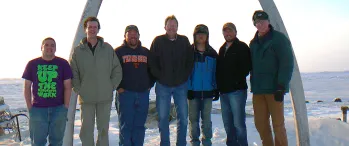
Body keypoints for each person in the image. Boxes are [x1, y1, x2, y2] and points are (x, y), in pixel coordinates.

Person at [70, 16, 122, 146]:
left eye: (95, 27)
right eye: (90, 27)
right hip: (86, 97)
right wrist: (79, 88)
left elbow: (117, 70)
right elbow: (73, 73)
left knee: (103, 130)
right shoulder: (78, 51)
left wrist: (111, 86)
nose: (92, 29)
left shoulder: (107, 49)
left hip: (104, 97)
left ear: (98, 29)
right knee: (86, 130)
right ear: (85, 29)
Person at [249, 10, 294, 146]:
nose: (260, 25)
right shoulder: (253, 43)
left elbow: (287, 63)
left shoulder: (279, 39)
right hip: (258, 90)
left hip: (275, 90)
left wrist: (281, 86)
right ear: (255, 25)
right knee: (260, 124)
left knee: (278, 125)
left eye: (263, 22)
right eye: (257, 22)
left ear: (268, 22)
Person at [148, 15, 194, 146]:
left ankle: (181, 143)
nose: (172, 27)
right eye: (169, 25)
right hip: (163, 85)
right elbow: (152, 61)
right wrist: (159, 76)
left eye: (174, 25)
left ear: (177, 27)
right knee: (163, 118)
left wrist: (184, 76)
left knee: (183, 118)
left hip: (181, 85)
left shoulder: (184, 41)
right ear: (165, 27)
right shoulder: (158, 41)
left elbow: (190, 61)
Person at [22, 37, 72, 146]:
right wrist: (30, 107)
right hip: (38, 110)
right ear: (41, 47)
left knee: (57, 142)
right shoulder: (32, 64)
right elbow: (27, 87)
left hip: (58, 109)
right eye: (47, 45)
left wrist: (65, 106)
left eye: (52, 45)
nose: (50, 47)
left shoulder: (63, 63)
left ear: (55, 48)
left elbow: (68, 86)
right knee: (38, 143)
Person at [114, 25, 155, 146]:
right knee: (126, 126)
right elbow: (111, 71)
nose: (132, 36)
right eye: (129, 34)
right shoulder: (118, 52)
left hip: (142, 94)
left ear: (138, 35)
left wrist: (149, 85)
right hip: (125, 94)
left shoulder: (145, 52)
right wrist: (118, 87)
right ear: (125, 36)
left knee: (139, 126)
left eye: (135, 33)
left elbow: (153, 70)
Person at [216, 22, 252, 146]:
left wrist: (235, 82)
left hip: (237, 91)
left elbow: (246, 68)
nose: (228, 33)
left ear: (235, 32)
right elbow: (219, 70)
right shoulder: (222, 49)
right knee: (227, 124)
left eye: (230, 31)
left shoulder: (242, 47)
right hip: (224, 93)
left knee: (239, 124)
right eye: (225, 31)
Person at [187, 24, 218, 146]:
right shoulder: (188, 52)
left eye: (203, 34)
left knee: (206, 121)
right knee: (193, 121)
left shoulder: (212, 53)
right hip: (192, 93)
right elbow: (185, 72)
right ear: (194, 36)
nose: (201, 36)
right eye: (198, 34)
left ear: (207, 36)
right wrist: (188, 89)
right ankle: (194, 142)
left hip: (208, 93)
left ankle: (207, 142)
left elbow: (216, 72)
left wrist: (216, 88)